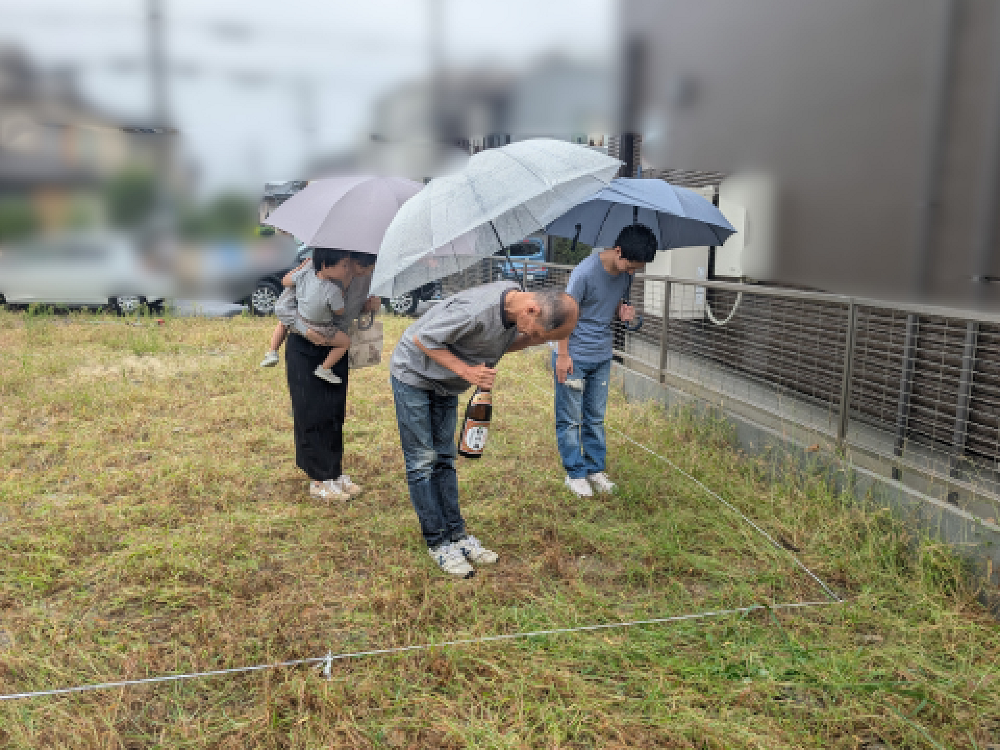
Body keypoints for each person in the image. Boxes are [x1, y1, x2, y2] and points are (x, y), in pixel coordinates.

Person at [390, 279, 579, 578]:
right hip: (414, 373)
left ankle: (458, 535)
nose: (532, 338)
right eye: (538, 333)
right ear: (531, 309)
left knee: (444, 458)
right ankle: (437, 543)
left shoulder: (516, 304)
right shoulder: (478, 311)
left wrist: (530, 340)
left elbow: (510, 340)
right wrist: (467, 370)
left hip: (445, 382)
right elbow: (423, 338)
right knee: (423, 461)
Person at [553, 223, 658, 497]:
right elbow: (563, 316)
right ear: (618, 251)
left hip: (602, 354)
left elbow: (614, 310)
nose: (633, 272)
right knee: (570, 419)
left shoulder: (626, 276)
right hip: (574, 354)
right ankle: (575, 474)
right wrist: (563, 355)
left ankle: (594, 467)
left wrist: (628, 316)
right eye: (632, 266)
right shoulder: (584, 273)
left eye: (638, 268)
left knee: (595, 418)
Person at [284, 250, 381, 501]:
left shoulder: (364, 275)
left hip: (335, 348)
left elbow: (348, 312)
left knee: (334, 411)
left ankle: (334, 472)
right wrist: (306, 330)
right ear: (347, 260)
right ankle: (318, 480)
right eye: (356, 268)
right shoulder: (315, 269)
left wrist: (367, 307)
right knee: (310, 411)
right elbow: (283, 307)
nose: (359, 274)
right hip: (304, 345)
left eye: (366, 271)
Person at [261, 249, 352, 384]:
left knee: (282, 323)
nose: (347, 269)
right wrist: (342, 294)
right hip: (321, 329)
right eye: (344, 265)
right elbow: (339, 312)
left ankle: (272, 352)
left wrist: (299, 268)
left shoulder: (304, 275)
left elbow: (285, 281)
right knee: (345, 343)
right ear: (325, 265)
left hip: (300, 321)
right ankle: (324, 368)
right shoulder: (333, 291)